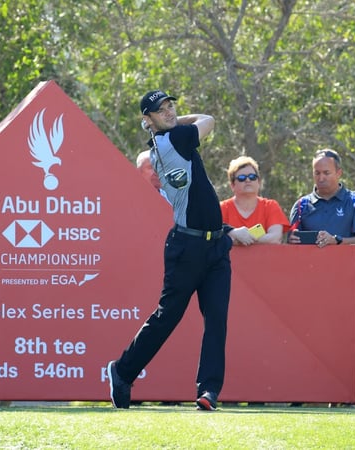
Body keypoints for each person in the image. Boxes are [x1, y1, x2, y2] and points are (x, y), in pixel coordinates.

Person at [107, 90, 232, 411]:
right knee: (168, 317)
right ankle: (122, 371)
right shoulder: (175, 139)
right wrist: (176, 122)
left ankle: (209, 390)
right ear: (146, 121)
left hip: (215, 244)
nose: (169, 112)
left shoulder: (168, 139)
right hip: (187, 245)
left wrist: (167, 122)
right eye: (159, 111)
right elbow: (210, 120)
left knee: (216, 318)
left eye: (170, 106)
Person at [287, 149, 355, 246]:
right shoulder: (301, 206)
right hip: (311, 261)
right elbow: (292, 242)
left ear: (339, 173)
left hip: (345, 260)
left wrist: (337, 240)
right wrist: (292, 239)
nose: (321, 178)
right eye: (317, 173)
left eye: (326, 173)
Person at [220, 156, 288, 245]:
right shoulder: (221, 208)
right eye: (241, 178)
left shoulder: (270, 206)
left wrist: (243, 239)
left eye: (252, 177)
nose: (248, 180)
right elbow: (216, 238)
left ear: (259, 182)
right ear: (232, 185)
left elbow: (275, 238)